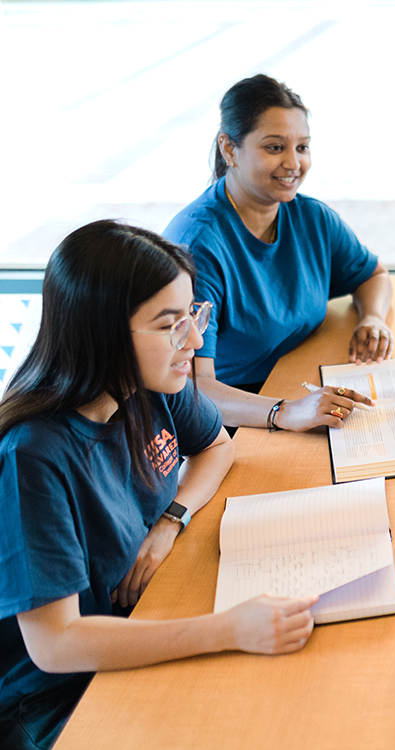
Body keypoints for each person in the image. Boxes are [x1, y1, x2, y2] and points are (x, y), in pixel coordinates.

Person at [0, 221, 318, 750]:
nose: (194, 340)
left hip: (143, 620)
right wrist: (227, 630)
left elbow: (218, 445)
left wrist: (171, 519)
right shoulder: (33, 454)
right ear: (103, 333)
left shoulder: (147, 384)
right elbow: (56, 644)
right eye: (170, 324)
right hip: (50, 697)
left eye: (192, 314)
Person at [163, 74, 392, 432]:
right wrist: (285, 411)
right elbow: (194, 387)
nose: (293, 163)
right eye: (274, 148)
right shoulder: (197, 246)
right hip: (236, 414)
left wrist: (373, 318)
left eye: (302, 147)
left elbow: (372, 275)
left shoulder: (311, 216)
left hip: (296, 382)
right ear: (229, 149)